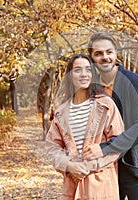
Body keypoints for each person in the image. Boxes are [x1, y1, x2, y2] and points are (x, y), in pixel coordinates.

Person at [83, 32, 138, 200]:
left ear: (116, 53)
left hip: (134, 165)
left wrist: (103, 148)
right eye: (98, 53)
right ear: (91, 57)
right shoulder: (93, 87)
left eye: (109, 52)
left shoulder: (133, 82)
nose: (105, 57)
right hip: (107, 167)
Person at [45, 54, 124, 200]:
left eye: (88, 70)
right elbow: (52, 147)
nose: (84, 74)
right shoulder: (61, 112)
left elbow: (119, 143)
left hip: (101, 185)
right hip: (72, 186)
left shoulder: (106, 105)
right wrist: (69, 166)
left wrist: (90, 166)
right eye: (77, 70)